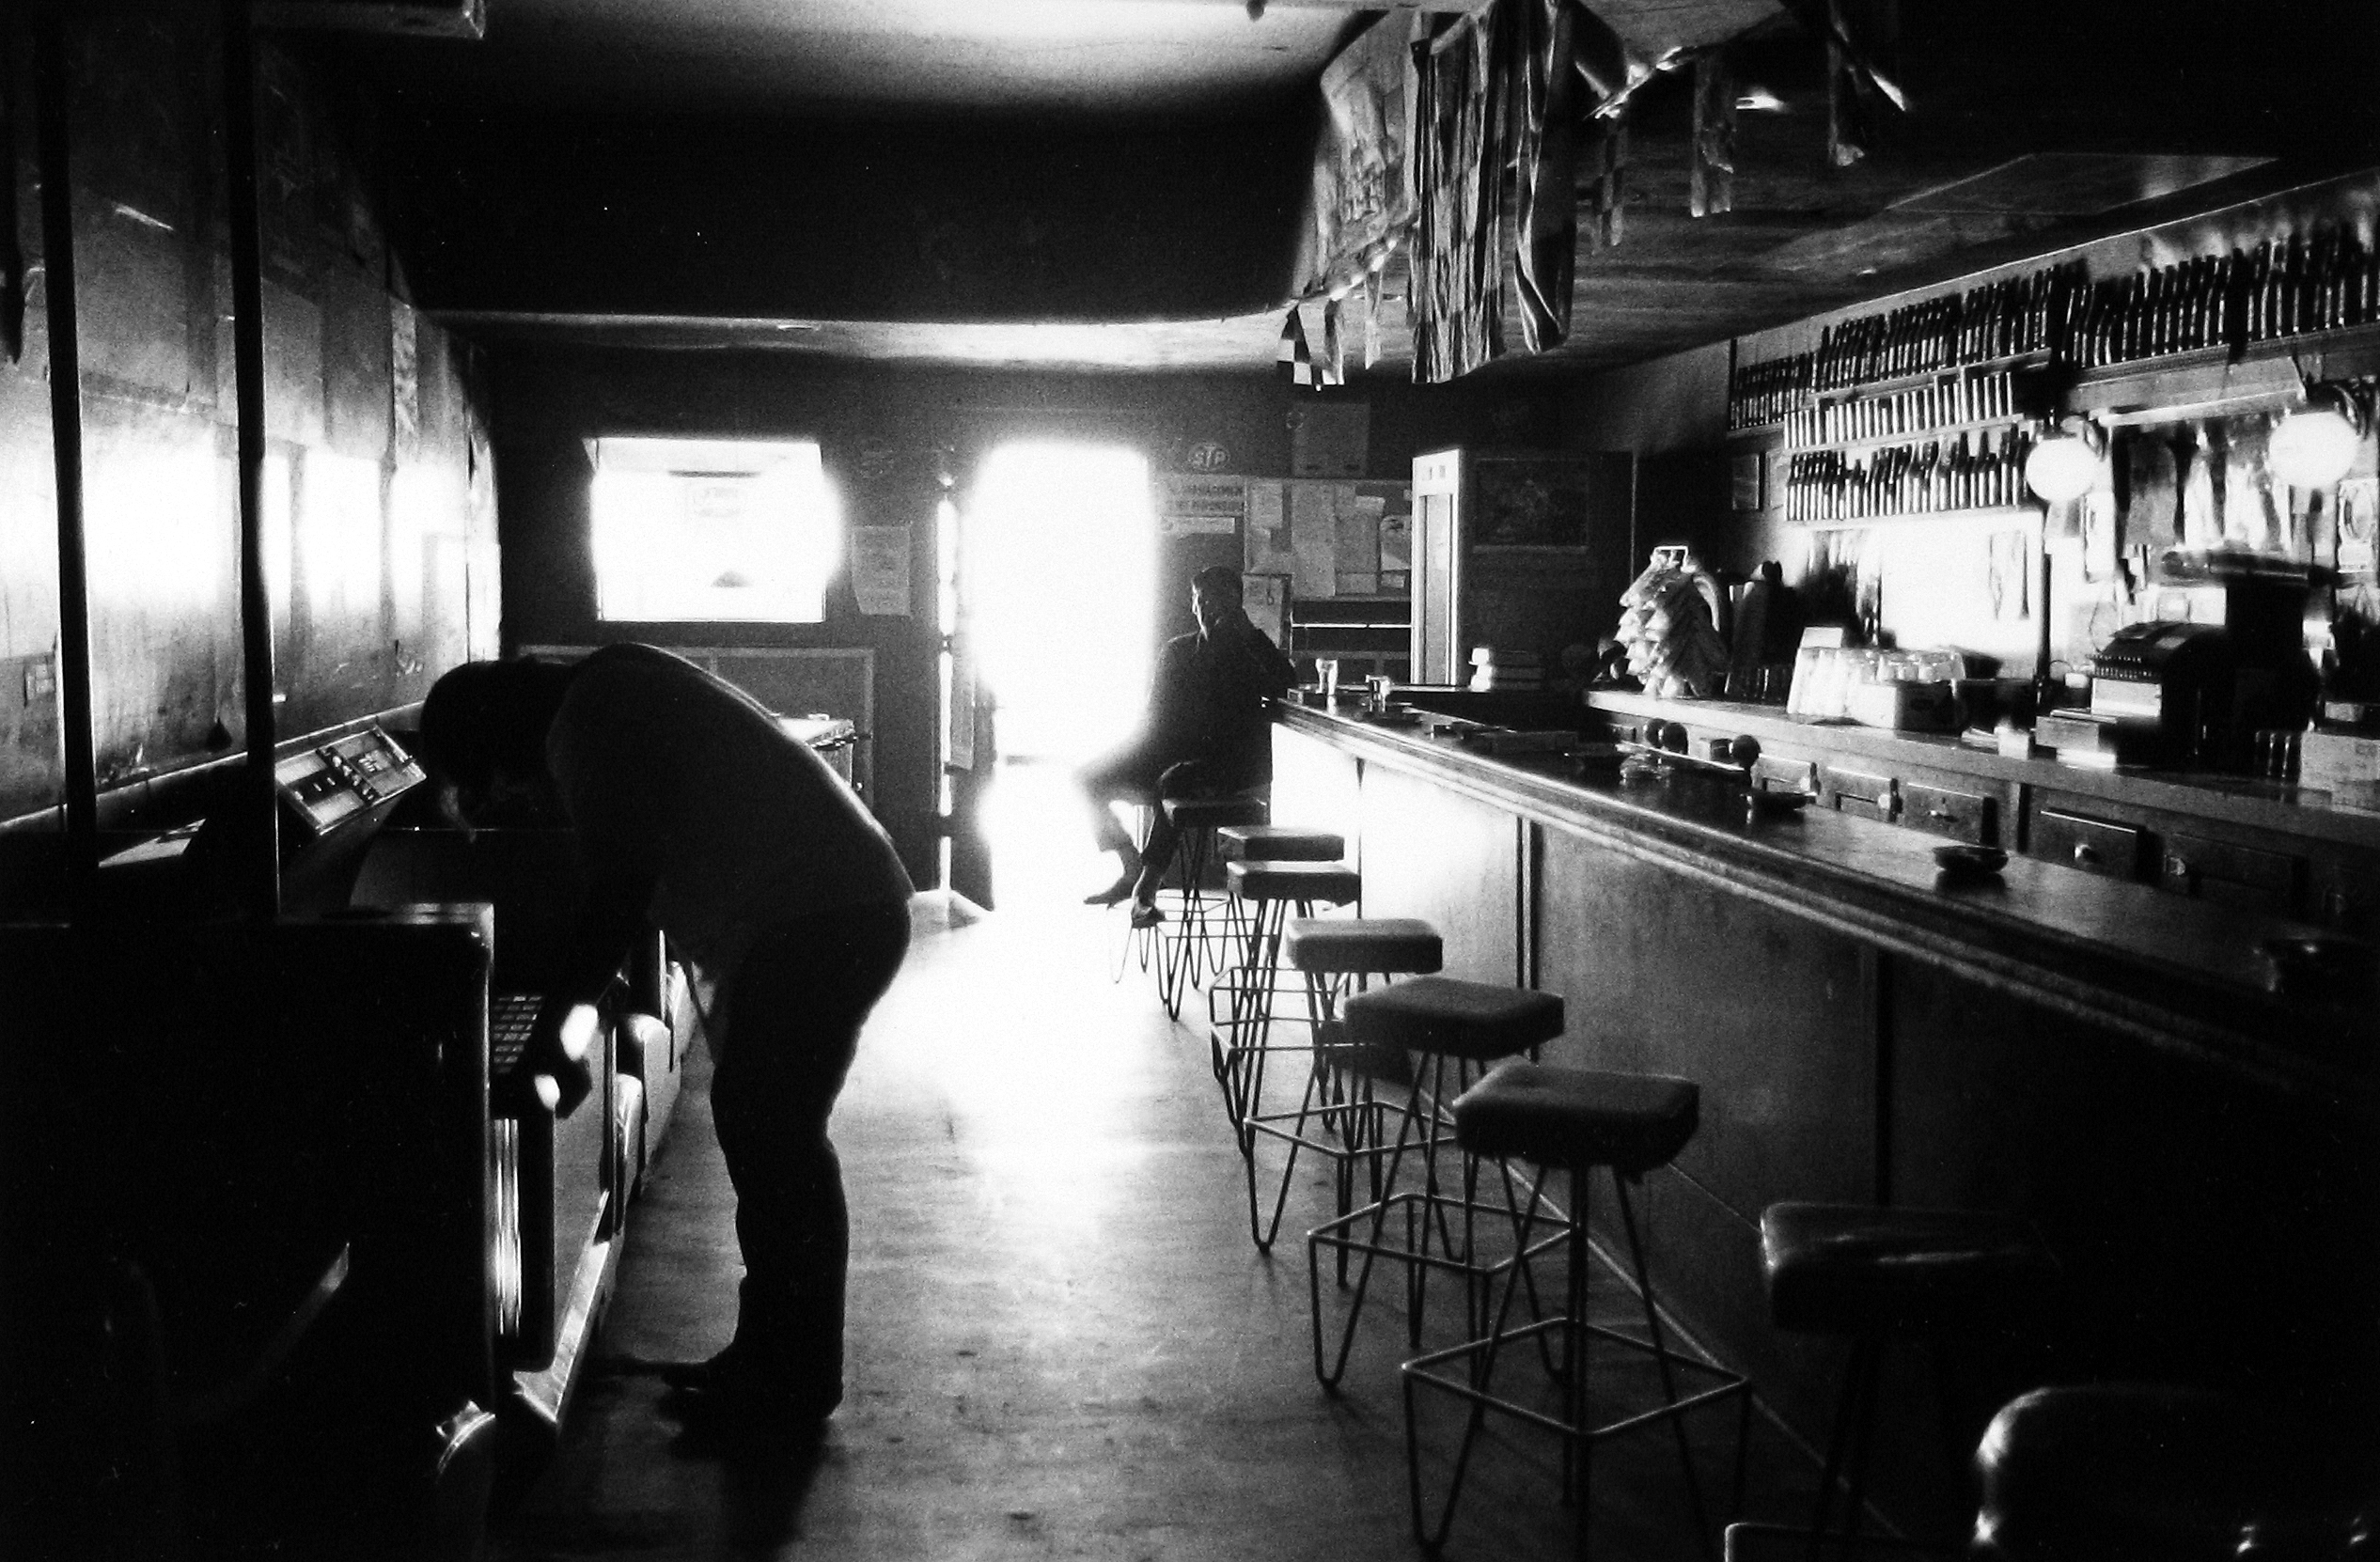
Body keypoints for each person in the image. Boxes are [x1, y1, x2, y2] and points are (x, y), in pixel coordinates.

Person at [415, 643, 913, 1447]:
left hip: (822, 915)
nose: (506, 791)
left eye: (491, 773)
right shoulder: (605, 688)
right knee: (765, 1135)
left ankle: (794, 1379)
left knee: (774, 1140)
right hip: (837, 904)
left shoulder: (588, 724)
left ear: (497, 731)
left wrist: (553, 1036)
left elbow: (618, 885)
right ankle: (773, 1358)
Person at [1077, 565, 1295, 927]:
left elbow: (1288, 683)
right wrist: (1134, 753)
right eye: (1200, 601)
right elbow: (1154, 716)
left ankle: (1145, 890)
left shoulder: (1251, 652)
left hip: (1226, 764)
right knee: (1087, 778)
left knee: (1174, 781)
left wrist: (1251, 636)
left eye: (1217, 601)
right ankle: (1129, 864)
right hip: (1169, 752)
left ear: (1236, 605)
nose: (1207, 609)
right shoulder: (1178, 651)